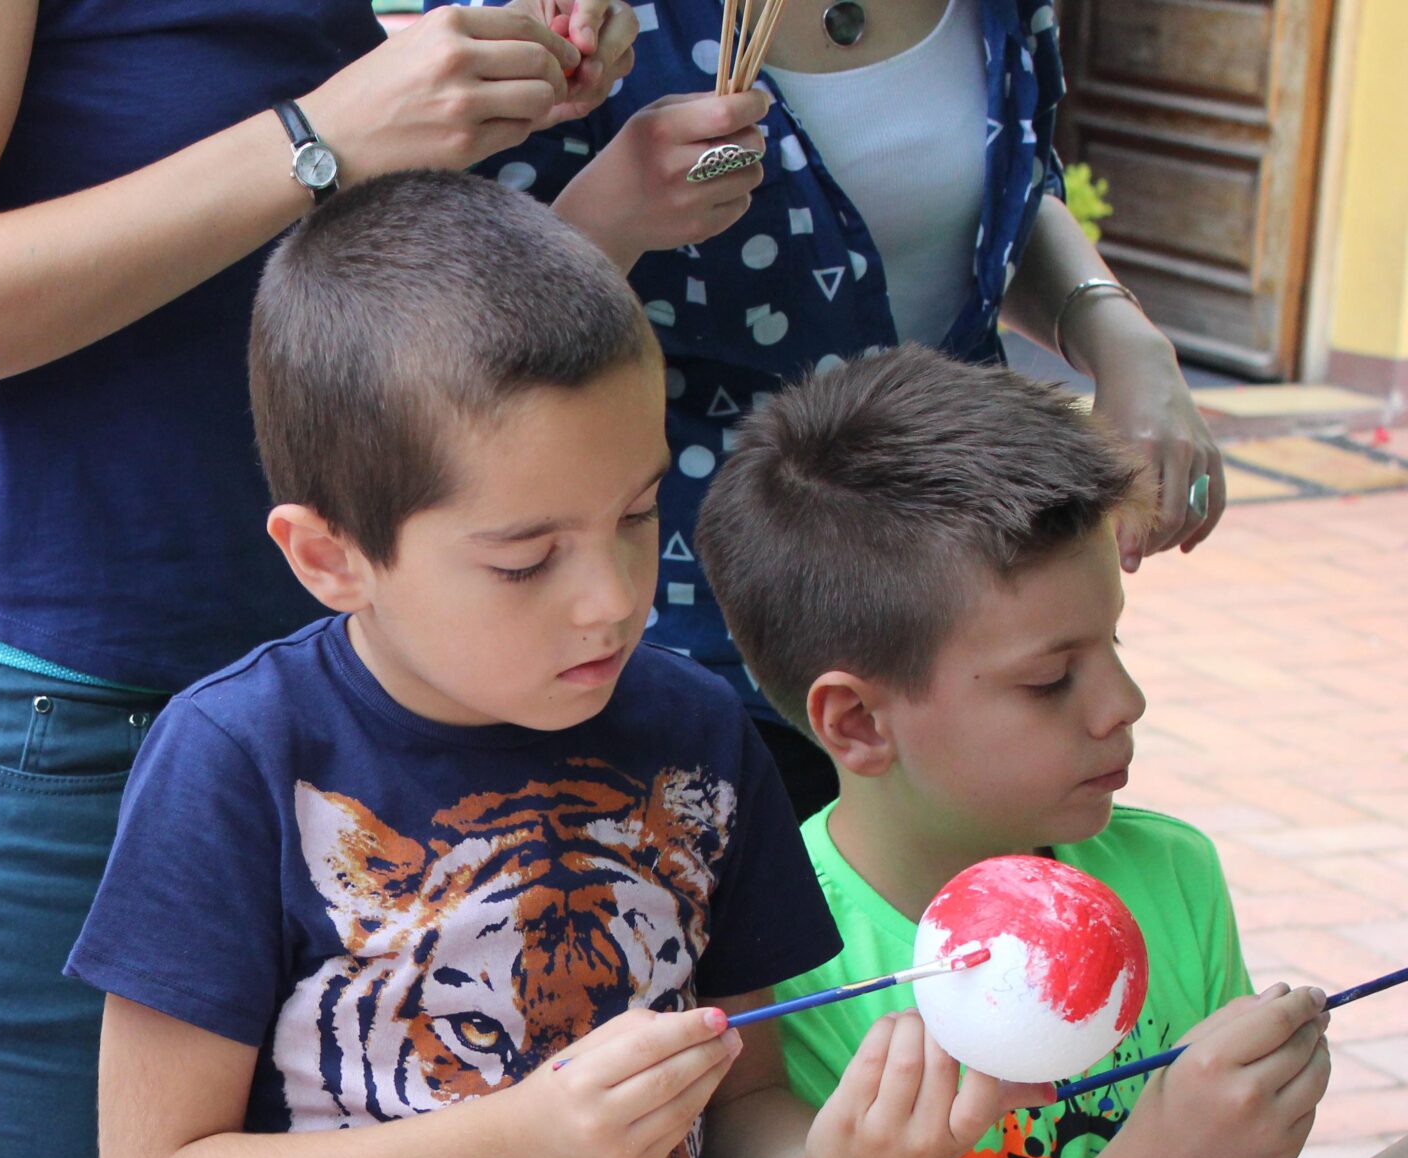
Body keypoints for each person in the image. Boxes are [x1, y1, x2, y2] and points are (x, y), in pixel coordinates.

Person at [0, 0, 643, 1158]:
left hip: (382, 720)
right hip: (65, 734)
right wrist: (324, 137)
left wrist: (579, 153)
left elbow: (404, 353)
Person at [69, 174, 1025, 1158]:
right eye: (525, 560)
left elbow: (741, 1114)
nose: (611, 600)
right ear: (331, 558)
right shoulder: (237, 758)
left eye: (637, 514)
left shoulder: (697, 737)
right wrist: (518, 1145)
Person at [434, 0, 1225, 820]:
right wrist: (609, 219)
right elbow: (445, 358)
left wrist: (1125, 341)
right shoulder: (556, 16)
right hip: (682, 640)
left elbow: (1001, 204)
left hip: (967, 623)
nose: (1129, 707)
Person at [698, 346, 1330, 1158]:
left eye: (1114, 643)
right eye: (1050, 678)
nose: (1124, 703)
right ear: (860, 721)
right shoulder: (778, 968)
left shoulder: (1172, 875)